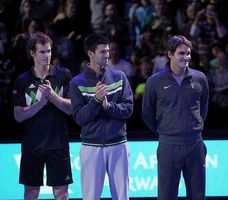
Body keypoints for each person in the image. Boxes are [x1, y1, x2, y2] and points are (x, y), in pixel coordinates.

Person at [142, 35, 209, 200]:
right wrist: (164, 132)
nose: (186, 57)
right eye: (181, 53)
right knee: (166, 196)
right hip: (168, 146)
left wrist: (194, 127)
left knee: (198, 195)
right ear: (170, 54)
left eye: (188, 53)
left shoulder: (200, 78)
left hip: (195, 144)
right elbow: (146, 114)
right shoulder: (154, 81)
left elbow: (203, 109)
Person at [70, 34, 133, 200]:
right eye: (103, 52)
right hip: (91, 147)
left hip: (118, 144)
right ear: (90, 53)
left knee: (122, 197)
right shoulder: (77, 82)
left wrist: (108, 106)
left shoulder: (120, 77)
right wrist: (96, 101)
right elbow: (79, 117)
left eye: (108, 51)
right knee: (90, 197)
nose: (107, 55)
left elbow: (128, 110)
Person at [12, 32, 73, 200]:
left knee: (61, 193)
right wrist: (40, 103)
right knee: (31, 193)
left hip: (58, 143)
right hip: (32, 144)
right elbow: (18, 115)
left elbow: (71, 109)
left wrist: (52, 96)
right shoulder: (23, 80)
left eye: (49, 51)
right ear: (32, 53)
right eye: (42, 52)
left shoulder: (63, 75)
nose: (47, 55)